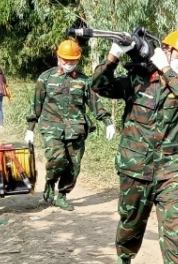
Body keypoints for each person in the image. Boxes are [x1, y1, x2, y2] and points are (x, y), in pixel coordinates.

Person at [92, 29, 178, 264]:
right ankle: (124, 258)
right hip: (135, 165)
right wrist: (114, 56)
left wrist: (165, 67)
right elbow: (99, 86)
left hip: (170, 170)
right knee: (131, 220)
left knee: (175, 225)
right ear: (166, 49)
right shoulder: (136, 81)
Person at [25, 39, 114, 211]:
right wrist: (30, 128)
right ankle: (50, 182)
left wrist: (107, 121)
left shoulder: (84, 81)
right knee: (57, 159)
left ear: (78, 60)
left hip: (76, 128)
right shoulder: (45, 78)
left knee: (74, 165)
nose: (68, 64)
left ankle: (62, 195)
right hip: (52, 127)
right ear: (58, 57)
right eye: (65, 60)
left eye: (72, 61)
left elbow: (95, 103)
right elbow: (36, 104)